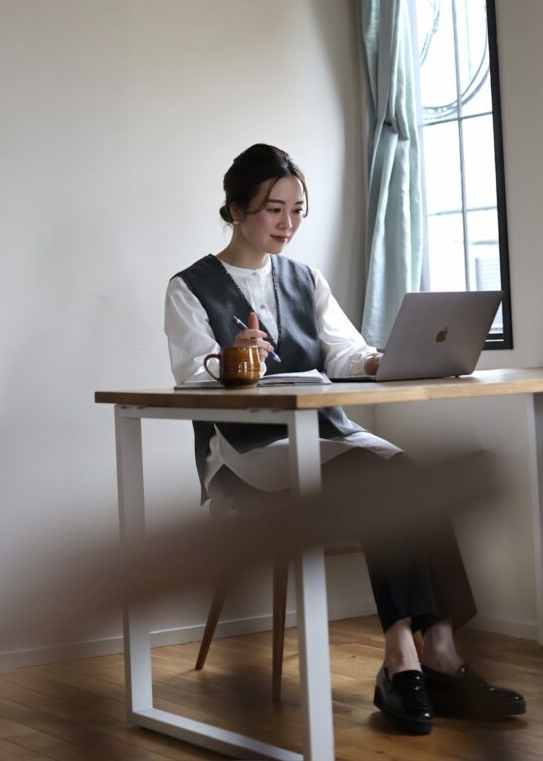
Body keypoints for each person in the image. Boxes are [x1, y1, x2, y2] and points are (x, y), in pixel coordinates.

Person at [164, 142, 524, 735]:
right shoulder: (189, 286)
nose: (289, 223)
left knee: (413, 475)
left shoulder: (306, 279)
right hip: (248, 450)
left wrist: (380, 362)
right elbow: (189, 371)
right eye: (274, 209)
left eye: (298, 209)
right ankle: (400, 658)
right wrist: (230, 359)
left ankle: (439, 651)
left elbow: (343, 351)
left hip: (327, 434)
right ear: (234, 210)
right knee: (381, 476)